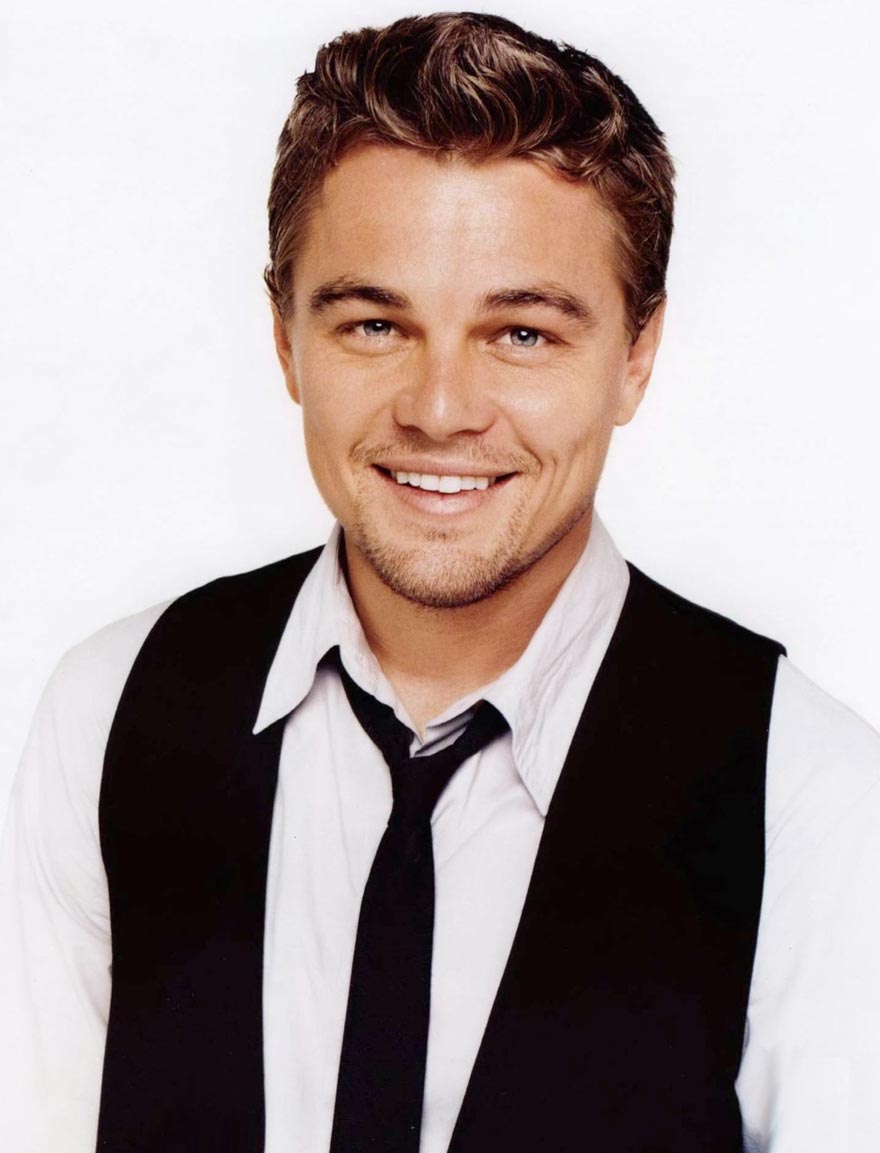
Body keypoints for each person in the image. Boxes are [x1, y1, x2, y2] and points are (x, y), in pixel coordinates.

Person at [2, 11, 880, 1153]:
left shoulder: (806, 790)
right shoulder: (111, 711)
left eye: (522, 334)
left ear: (637, 354)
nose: (441, 408)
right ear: (285, 339)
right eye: (375, 324)